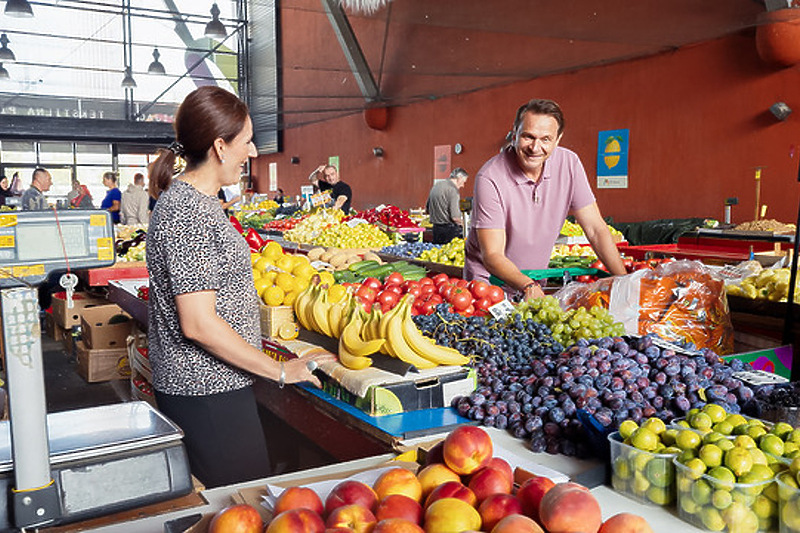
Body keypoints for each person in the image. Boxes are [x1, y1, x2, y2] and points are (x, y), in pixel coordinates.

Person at [146, 85, 332, 488]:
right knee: (240, 504)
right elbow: (198, 324)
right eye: (246, 142)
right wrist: (280, 371)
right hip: (205, 387)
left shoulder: (200, 202)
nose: (253, 153)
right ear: (219, 146)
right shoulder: (187, 214)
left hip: (217, 383)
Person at [464, 98, 626, 300]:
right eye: (528, 137)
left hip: (533, 282)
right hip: (490, 287)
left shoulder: (569, 164)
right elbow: (493, 255)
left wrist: (624, 282)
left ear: (558, 140)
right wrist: (527, 286)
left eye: (545, 139)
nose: (535, 147)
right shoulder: (490, 178)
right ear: (514, 134)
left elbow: (596, 229)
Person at [426, 167, 468, 244]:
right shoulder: (453, 190)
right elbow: (455, 217)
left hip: (436, 229)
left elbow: (427, 209)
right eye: (463, 182)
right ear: (459, 178)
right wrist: (465, 224)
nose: (463, 185)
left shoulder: (436, 186)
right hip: (449, 231)